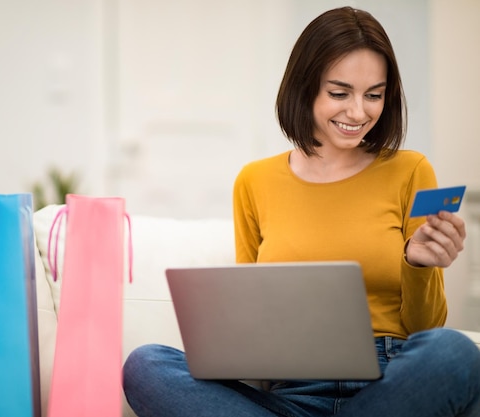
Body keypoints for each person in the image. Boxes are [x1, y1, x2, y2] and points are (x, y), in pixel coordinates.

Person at [122, 6, 480, 417]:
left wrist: (417, 265)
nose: (359, 112)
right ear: (305, 86)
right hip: (294, 394)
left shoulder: (410, 170)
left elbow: (426, 329)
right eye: (340, 92)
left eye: (374, 95)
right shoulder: (254, 181)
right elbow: (248, 322)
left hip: (393, 383)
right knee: (146, 364)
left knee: (451, 350)